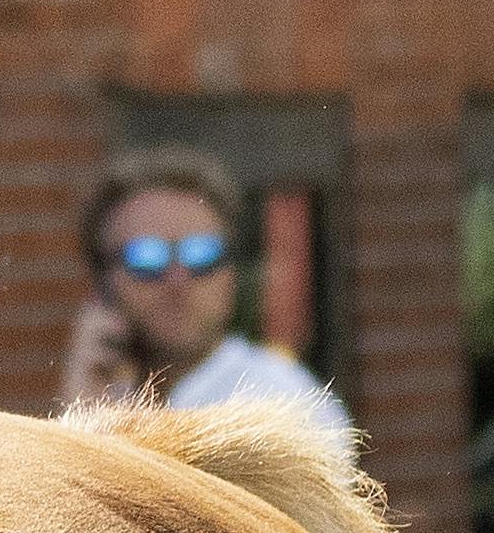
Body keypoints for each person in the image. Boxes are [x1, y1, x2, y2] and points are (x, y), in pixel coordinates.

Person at [57, 148, 347, 438]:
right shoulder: (102, 394)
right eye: (146, 258)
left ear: (230, 274)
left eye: (202, 254)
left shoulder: (282, 400)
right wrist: (81, 409)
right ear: (103, 283)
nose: (178, 280)